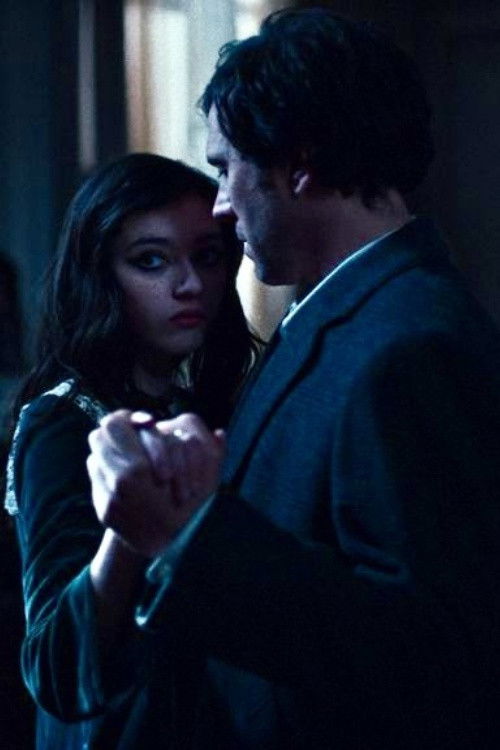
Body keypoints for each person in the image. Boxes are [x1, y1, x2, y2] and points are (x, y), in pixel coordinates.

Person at [74, 8, 500, 748]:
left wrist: (187, 534)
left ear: (299, 165)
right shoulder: (344, 315)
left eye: (225, 169)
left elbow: (438, 660)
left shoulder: (410, 346)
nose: (220, 205)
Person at [5, 152, 256, 749]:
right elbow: (55, 663)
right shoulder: (63, 422)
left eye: (207, 256)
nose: (189, 284)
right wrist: (130, 530)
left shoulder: (200, 408)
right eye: (151, 260)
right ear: (101, 276)